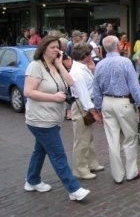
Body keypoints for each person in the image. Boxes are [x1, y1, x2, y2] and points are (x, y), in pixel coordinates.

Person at [23, 35, 90, 201]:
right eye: (52, 47)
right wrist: (53, 97)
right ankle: (74, 189)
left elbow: (71, 83)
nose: (56, 50)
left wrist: (60, 64)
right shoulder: (35, 66)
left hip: (53, 118)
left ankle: (32, 180)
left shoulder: (55, 65)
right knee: (58, 154)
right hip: (40, 120)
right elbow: (28, 92)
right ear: (43, 48)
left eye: (58, 47)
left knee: (40, 150)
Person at [93, 35, 140, 184]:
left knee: (112, 140)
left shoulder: (100, 65)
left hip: (106, 102)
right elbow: (134, 86)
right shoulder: (125, 62)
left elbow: (96, 89)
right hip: (123, 102)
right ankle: (131, 172)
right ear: (118, 46)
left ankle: (117, 175)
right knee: (130, 137)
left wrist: (98, 108)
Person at [69, 42, 104, 180]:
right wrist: (94, 113)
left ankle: (91, 163)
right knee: (81, 139)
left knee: (87, 137)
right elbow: (83, 93)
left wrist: (93, 69)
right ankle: (80, 169)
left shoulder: (82, 68)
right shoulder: (77, 71)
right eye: (90, 54)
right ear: (86, 55)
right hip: (82, 105)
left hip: (85, 104)